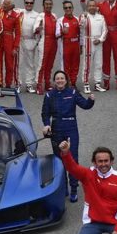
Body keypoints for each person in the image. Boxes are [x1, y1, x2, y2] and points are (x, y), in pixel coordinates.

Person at [59, 140, 117, 234]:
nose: (103, 164)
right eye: (100, 161)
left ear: (111, 161)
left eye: (106, 161)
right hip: (92, 224)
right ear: (94, 163)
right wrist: (66, 153)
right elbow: (72, 168)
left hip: (114, 224)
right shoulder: (88, 174)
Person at [43, 70, 96, 202]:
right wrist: (46, 125)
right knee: (58, 160)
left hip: (71, 128)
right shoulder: (49, 95)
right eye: (57, 79)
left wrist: (91, 100)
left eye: (62, 78)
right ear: (54, 81)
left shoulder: (72, 92)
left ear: (66, 81)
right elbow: (45, 113)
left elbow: (85, 105)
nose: (60, 81)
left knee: (72, 159)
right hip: (56, 130)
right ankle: (63, 187)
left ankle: (73, 189)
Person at [85, 0, 117, 91]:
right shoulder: (100, 5)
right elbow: (89, 10)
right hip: (105, 33)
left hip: (116, 32)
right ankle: (106, 81)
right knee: (105, 57)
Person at [79, 0, 108, 93]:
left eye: (93, 5)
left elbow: (105, 30)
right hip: (88, 41)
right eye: (90, 5)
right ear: (87, 7)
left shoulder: (101, 17)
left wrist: (100, 40)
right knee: (87, 64)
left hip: (98, 42)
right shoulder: (84, 16)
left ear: (96, 7)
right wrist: (84, 17)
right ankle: (86, 84)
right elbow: (81, 26)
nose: (92, 7)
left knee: (99, 64)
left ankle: (97, 84)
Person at [18, 0, 43, 93]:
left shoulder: (37, 15)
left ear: (33, 3)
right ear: (24, 3)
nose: (29, 4)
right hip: (20, 40)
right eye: (27, 2)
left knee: (30, 64)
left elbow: (39, 28)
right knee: (18, 64)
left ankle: (29, 84)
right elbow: (5, 4)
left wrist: (37, 35)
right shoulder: (19, 12)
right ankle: (18, 83)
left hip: (31, 41)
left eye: (31, 3)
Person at [0, 0, 22, 91]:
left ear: (11, 5)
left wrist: (15, 47)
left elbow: (18, 33)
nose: (3, 5)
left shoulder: (16, 16)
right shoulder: (0, 12)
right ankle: (0, 83)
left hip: (9, 40)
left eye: (6, 4)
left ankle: (8, 83)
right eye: (3, 3)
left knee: (9, 63)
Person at [36, 0, 60, 93]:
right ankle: (39, 85)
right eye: (47, 4)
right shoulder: (40, 16)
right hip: (45, 41)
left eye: (50, 4)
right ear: (43, 5)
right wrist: (38, 28)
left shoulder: (54, 16)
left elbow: (58, 28)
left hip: (54, 41)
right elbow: (36, 27)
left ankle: (47, 83)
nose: (48, 6)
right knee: (42, 64)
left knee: (50, 64)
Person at [58, 1, 80, 88]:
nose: (68, 9)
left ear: (72, 8)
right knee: (66, 66)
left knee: (75, 65)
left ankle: (73, 83)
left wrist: (81, 46)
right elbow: (56, 34)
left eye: (70, 7)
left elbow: (81, 34)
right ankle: (66, 84)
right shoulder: (60, 20)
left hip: (75, 45)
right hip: (65, 45)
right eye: (66, 8)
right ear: (63, 9)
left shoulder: (77, 19)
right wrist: (61, 32)